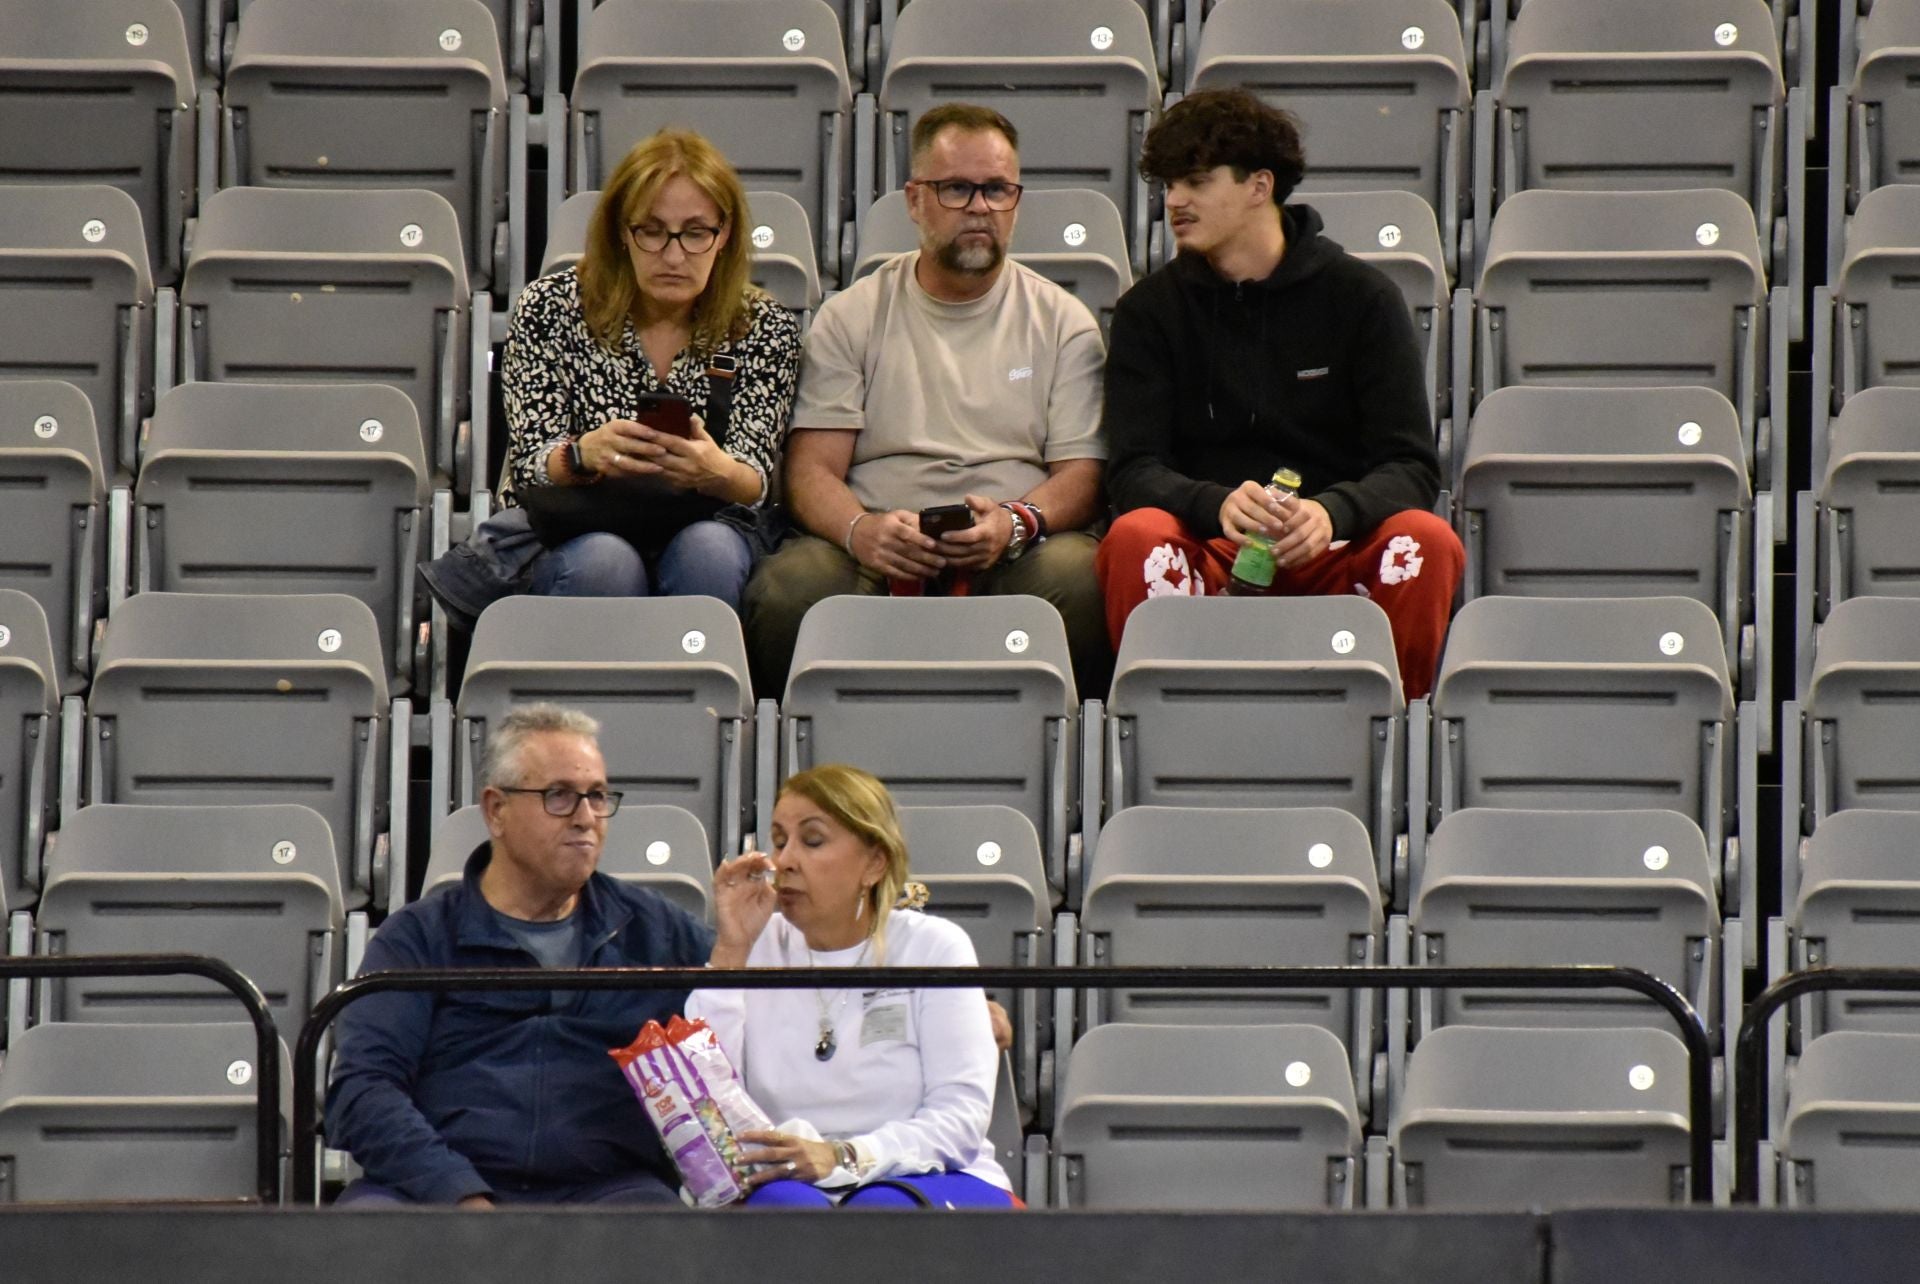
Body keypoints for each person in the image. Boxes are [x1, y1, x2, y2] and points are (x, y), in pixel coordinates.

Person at [1094, 88, 1463, 698]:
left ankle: (1392, 732)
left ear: (1259, 186)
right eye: (1168, 185)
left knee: (1427, 541)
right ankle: (1160, 725)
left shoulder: (1363, 298)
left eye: (1194, 181)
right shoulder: (1148, 312)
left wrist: (1330, 513)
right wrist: (1215, 504)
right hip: (1209, 548)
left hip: (1333, 550)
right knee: (1135, 538)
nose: (1174, 202)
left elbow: (1410, 466)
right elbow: (1133, 471)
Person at [743, 103, 1110, 697]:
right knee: (790, 587)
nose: (979, 208)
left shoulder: (1063, 321)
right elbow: (811, 470)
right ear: (915, 201)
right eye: (957, 189)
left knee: (1079, 576)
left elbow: (1083, 475)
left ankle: (1063, 762)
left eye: (997, 190)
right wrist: (863, 530)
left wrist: (1017, 522)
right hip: (874, 543)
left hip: (1014, 546)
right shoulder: (852, 316)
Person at [325, 704, 714, 1206]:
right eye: (559, 796)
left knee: (658, 1230)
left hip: (607, 1189)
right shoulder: (419, 939)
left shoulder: (655, 931)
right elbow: (363, 1091)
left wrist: (737, 951)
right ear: (496, 810)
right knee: (366, 1228)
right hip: (435, 1190)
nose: (586, 819)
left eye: (597, 796)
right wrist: (457, 1192)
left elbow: (731, 1041)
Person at [418, 129, 802, 625]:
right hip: (577, 526)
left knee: (710, 551)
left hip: (709, 521)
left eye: (695, 232)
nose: (673, 255)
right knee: (607, 562)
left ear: (724, 235)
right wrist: (583, 455)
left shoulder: (763, 325)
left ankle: (700, 699)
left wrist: (716, 471)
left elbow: (757, 481)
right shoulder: (549, 308)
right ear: (623, 231)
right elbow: (530, 461)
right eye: (652, 230)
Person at [691, 765, 1014, 1208]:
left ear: (874, 863)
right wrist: (731, 951)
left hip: (929, 1175)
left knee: (878, 1211)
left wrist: (846, 1156)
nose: (784, 861)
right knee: (784, 1209)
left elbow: (960, 1120)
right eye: (780, 840)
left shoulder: (934, 946)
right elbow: (702, 1100)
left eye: (813, 841)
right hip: (793, 1183)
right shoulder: (754, 945)